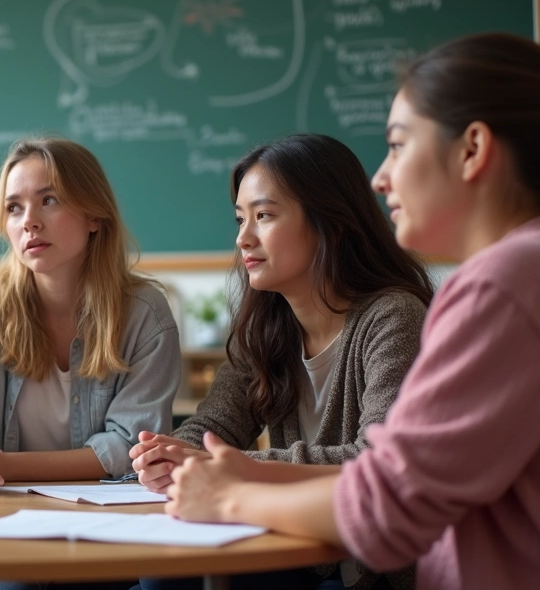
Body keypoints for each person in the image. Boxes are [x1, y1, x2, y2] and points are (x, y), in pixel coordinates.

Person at [165, 32, 540, 589]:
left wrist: (232, 493)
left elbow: (387, 505)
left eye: (398, 145)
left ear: (472, 150)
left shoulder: (504, 288)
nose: (380, 178)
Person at [131, 134, 431, 590]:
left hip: (369, 571)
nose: (242, 238)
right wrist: (172, 458)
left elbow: (377, 460)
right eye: (239, 218)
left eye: (264, 216)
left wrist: (237, 465)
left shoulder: (394, 315)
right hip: (295, 550)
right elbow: (209, 430)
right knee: (159, 579)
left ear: (332, 222)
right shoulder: (265, 327)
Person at [0, 137, 182, 492]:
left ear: (94, 216)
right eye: (14, 208)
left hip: (112, 513)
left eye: (49, 200)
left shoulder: (145, 313)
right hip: (7, 513)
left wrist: (3, 465)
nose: (29, 222)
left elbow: (131, 446)